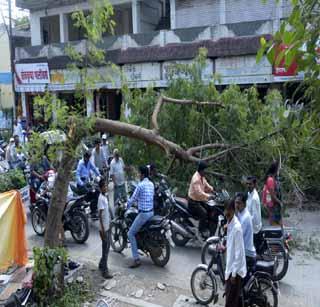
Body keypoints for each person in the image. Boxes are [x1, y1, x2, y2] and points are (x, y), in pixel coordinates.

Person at [127, 166, 154, 268]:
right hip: (151, 213)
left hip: (144, 214)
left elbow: (133, 199)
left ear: (142, 174)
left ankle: (136, 259)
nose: (138, 175)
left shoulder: (140, 185)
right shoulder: (151, 184)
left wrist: (126, 206)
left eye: (139, 174)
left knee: (130, 233)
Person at [224, 199, 247, 307]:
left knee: (230, 302)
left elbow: (239, 254)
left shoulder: (237, 228)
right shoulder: (230, 222)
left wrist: (233, 274)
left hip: (235, 271)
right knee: (234, 300)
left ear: (233, 211)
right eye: (225, 210)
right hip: (231, 268)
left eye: (229, 210)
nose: (226, 213)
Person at [187, 161, 214, 238]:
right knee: (204, 213)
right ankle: (201, 231)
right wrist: (208, 196)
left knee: (209, 209)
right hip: (193, 202)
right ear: (201, 170)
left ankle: (206, 227)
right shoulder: (196, 179)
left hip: (199, 200)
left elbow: (206, 185)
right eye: (205, 169)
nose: (206, 171)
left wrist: (213, 190)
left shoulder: (202, 176)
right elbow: (199, 192)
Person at [235, 192, 256, 271]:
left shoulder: (245, 218)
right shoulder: (241, 212)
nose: (237, 205)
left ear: (244, 204)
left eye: (239, 203)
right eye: (236, 203)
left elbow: (238, 236)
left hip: (246, 253)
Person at [76, 151, 101, 217]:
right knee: (91, 193)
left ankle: (93, 210)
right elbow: (77, 175)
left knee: (97, 191)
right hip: (81, 184)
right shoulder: (80, 163)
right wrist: (81, 183)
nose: (88, 159)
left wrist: (99, 175)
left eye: (89, 158)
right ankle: (89, 209)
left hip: (87, 183)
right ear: (84, 157)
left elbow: (94, 169)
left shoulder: (89, 162)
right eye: (87, 158)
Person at [98, 179, 113, 279]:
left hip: (107, 226)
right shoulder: (100, 199)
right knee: (106, 248)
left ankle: (101, 264)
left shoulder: (105, 197)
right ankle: (105, 270)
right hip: (104, 228)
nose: (106, 188)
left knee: (106, 247)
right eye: (104, 186)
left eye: (106, 186)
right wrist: (102, 229)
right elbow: (99, 215)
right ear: (100, 188)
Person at [262, 161, 282, 226]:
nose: (279, 169)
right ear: (276, 169)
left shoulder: (272, 178)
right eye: (278, 168)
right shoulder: (270, 179)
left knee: (274, 222)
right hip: (272, 204)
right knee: (275, 223)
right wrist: (280, 202)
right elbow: (272, 195)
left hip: (271, 204)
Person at [246, 176, 262, 248]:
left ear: (255, 185)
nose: (248, 186)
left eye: (250, 184)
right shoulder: (249, 194)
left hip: (254, 228)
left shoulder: (254, 198)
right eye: (247, 184)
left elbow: (254, 217)